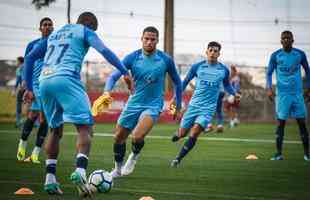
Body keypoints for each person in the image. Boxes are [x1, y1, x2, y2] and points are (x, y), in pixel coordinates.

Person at [23, 12, 132, 196]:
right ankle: (80, 171)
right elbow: (104, 51)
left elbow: (30, 57)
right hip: (66, 80)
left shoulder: (54, 34)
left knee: (54, 130)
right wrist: (125, 72)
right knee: (85, 128)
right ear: (90, 24)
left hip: (45, 82)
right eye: (94, 29)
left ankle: (50, 179)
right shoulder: (85, 31)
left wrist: (28, 86)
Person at [101, 26, 182, 178]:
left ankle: (134, 157)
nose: (149, 42)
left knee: (137, 136)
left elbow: (178, 82)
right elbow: (113, 77)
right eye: (147, 39)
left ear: (157, 40)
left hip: (153, 105)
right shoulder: (132, 57)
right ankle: (117, 169)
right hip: (134, 103)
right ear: (142, 39)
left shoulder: (165, 59)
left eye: (153, 39)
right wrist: (107, 92)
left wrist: (177, 103)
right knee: (118, 137)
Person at [170, 41, 238, 167]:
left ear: (219, 54)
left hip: (208, 108)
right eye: (210, 50)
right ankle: (178, 134)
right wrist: (175, 97)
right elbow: (184, 82)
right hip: (193, 106)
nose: (213, 53)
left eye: (215, 51)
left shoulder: (223, 70)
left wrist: (234, 93)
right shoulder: (197, 66)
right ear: (206, 52)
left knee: (195, 131)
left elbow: (227, 85)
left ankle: (178, 159)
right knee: (182, 133)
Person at [266, 30, 310, 161]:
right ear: (280, 41)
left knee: (302, 122)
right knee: (281, 123)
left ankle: (307, 154)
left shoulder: (300, 54)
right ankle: (278, 154)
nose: (286, 40)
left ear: (292, 40)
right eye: (283, 38)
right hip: (282, 95)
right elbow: (268, 73)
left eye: (288, 38)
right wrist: (269, 88)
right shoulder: (275, 55)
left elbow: (308, 71)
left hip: (297, 94)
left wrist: (308, 87)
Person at [16, 17, 54, 164]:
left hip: (49, 84)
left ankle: (35, 153)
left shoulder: (55, 44)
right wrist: (25, 83)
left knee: (42, 119)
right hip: (36, 85)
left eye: (50, 25)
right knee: (35, 116)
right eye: (45, 25)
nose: (48, 27)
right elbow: (27, 64)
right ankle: (22, 145)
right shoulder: (32, 45)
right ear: (40, 28)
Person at [13, 56, 25, 128]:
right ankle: (18, 122)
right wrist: (14, 89)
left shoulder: (21, 68)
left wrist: (15, 90)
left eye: (16, 61)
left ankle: (19, 122)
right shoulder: (19, 69)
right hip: (23, 89)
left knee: (19, 106)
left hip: (24, 89)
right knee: (29, 105)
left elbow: (20, 79)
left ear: (20, 61)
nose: (16, 62)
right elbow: (18, 80)